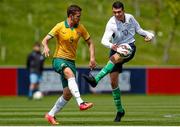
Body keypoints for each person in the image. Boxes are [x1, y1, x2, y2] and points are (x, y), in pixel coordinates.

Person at [83, 1, 154, 122]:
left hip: (129, 47)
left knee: (116, 57)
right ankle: (120, 111)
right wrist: (112, 46)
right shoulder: (111, 23)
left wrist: (149, 34)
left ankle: (96, 79)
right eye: (115, 12)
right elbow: (104, 40)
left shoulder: (130, 18)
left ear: (123, 11)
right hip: (116, 48)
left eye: (119, 12)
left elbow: (139, 30)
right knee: (113, 83)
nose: (117, 14)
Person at [42, 5, 96, 125]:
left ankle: (50, 115)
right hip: (59, 59)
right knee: (69, 73)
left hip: (71, 62)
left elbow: (90, 43)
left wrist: (92, 58)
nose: (79, 18)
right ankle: (81, 103)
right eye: (78, 16)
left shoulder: (80, 28)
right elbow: (45, 39)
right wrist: (45, 46)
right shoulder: (60, 26)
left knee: (67, 94)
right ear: (71, 16)